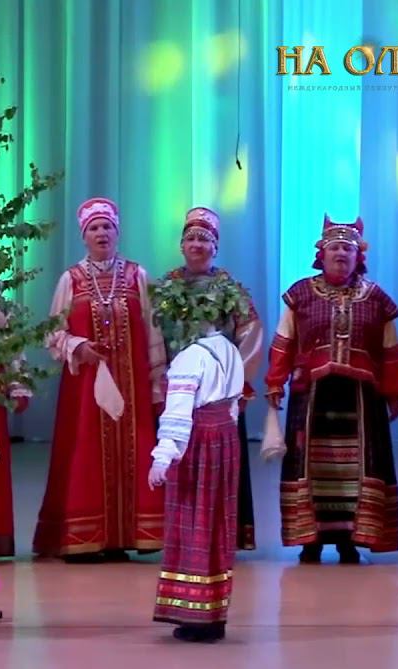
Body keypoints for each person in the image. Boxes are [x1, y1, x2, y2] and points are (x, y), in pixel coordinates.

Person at [266, 216, 398, 563]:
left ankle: (349, 539)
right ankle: (310, 540)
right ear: (322, 254)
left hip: (361, 398)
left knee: (354, 468)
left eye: (348, 248)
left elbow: (390, 348)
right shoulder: (300, 294)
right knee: (312, 466)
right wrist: (275, 381)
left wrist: (394, 391)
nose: (341, 253)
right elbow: (284, 340)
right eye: (335, 248)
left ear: (359, 256)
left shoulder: (376, 298)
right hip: (312, 395)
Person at [35, 197, 167, 562]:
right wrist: (78, 346)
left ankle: (122, 536)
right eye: (94, 228)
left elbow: (154, 331)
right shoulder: (71, 279)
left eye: (107, 226)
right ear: (84, 236)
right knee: (86, 452)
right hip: (85, 390)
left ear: (117, 232)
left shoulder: (138, 276)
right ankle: (84, 537)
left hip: (132, 384)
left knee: (133, 451)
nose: (101, 233)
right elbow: (52, 332)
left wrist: (158, 382)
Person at [149, 276, 246, 643]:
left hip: (198, 442)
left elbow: (178, 413)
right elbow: (234, 404)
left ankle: (195, 616)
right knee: (218, 523)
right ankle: (214, 614)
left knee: (194, 522)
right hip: (225, 439)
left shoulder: (190, 357)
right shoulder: (231, 350)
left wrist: (163, 457)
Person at [161, 207, 263, 550]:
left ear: (215, 247)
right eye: (190, 238)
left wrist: (237, 385)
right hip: (179, 388)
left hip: (218, 390)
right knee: (179, 455)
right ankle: (183, 534)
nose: (196, 245)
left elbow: (250, 335)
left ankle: (221, 534)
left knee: (221, 462)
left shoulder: (230, 289)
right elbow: (153, 335)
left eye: (204, 239)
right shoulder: (166, 287)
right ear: (181, 245)